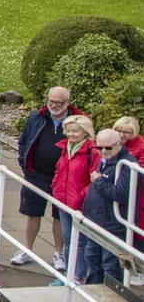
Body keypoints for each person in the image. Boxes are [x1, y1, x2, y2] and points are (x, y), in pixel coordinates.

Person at [11, 87, 86, 269]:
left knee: (59, 215)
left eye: (58, 103)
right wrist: (25, 164)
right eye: (51, 101)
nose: (53, 105)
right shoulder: (37, 117)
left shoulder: (78, 121)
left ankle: (58, 253)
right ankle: (27, 249)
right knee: (32, 212)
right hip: (36, 174)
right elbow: (24, 141)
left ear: (67, 102)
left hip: (64, 177)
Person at [77, 128, 136, 285]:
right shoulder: (108, 160)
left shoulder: (127, 165)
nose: (103, 151)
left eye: (108, 148)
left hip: (113, 227)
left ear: (119, 144)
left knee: (111, 268)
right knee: (92, 260)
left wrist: (98, 181)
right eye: (99, 147)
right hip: (97, 221)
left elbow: (121, 194)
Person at [53, 114, 97, 280]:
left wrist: (81, 196)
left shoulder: (92, 151)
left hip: (81, 204)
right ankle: (69, 274)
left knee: (80, 241)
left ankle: (78, 275)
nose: (71, 135)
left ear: (85, 132)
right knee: (68, 238)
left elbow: (94, 179)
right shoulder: (66, 148)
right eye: (68, 131)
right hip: (63, 201)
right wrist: (55, 188)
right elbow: (60, 171)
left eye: (75, 131)